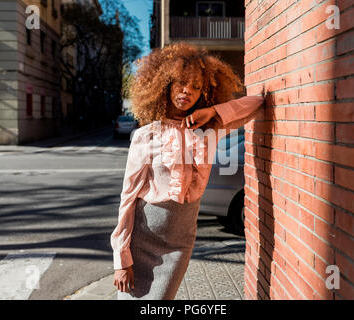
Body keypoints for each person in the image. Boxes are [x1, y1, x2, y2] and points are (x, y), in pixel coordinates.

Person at [110, 42, 265, 300]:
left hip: (181, 242)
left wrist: (213, 111)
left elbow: (257, 103)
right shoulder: (145, 135)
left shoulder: (210, 129)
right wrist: (121, 258)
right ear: (165, 84)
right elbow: (127, 199)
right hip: (142, 239)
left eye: (196, 86)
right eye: (181, 82)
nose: (187, 91)